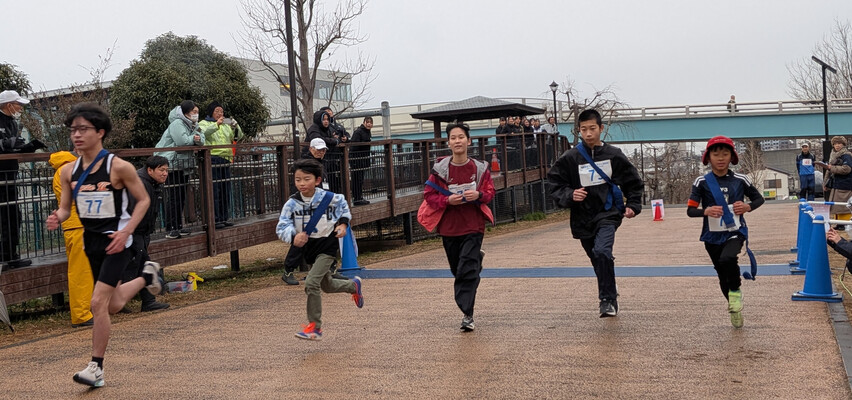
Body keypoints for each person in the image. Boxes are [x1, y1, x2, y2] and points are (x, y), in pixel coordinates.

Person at [46, 102, 162, 388]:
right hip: (91, 242)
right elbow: (65, 208)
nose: (77, 135)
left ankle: (96, 368)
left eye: (83, 129)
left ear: (100, 132)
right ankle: (148, 276)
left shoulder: (118, 167)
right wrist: (56, 217)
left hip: (118, 240)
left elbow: (144, 200)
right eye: (73, 130)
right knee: (113, 305)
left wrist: (127, 232)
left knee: (97, 303)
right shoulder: (68, 172)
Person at [547, 109, 644, 318]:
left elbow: (632, 181)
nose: (589, 133)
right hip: (582, 217)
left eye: (592, 128)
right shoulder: (570, 158)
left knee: (602, 252)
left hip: (608, 213)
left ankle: (607, 301)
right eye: (584, 130)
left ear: (601, 128)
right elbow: (554, 182)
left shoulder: (613, 155)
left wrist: (633, 204)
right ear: (579, 131)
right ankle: (610, 286)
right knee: (597, 258)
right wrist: (571, 194)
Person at [419, 122, 496, 332]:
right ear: (448, 142)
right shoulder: (440, 170)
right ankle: (475, 263)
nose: (457, 141)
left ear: (468, 141)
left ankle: (467, 313)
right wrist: (447, 201)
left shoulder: (479, 169)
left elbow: (490, 192)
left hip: (473, 226)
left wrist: (479, 195)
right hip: (449, 228)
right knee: (457, 269)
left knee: (466, 269)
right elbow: (429, 195)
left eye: (461, 137)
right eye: (453, 138)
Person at [275, 158, 363, 340]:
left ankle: (314, 327)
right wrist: (293, 236)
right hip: (309, 248)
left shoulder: (330, 198)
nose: (301, 183)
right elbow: (281, 226)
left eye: (306, 179)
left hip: (327, 246)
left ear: (317, 180)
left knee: (311, 283)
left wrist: (343, 224)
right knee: (327, 286)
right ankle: (353, 286)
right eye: (297, 179)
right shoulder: (291, 204)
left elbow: (344, 208)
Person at [686, 136, 764, 328]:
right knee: (722, 273)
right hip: (711, 236)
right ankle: (733, 306)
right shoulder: (701, 182)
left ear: (732, 157)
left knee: (727, 259)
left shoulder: (740, 179)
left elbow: (758, 199)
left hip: (735, 231)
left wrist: (747, 207)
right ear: (708, 157)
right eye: (716, 154)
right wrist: (706, 211)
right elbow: (690, 210)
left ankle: (736, 291)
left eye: (725, 154)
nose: (720, 158)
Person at [0, 90, 46, 269]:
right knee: (7, 215)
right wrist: (9, 144)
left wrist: (30, 146)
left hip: (10, 174)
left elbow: (14, 147)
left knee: (13, 215)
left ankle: (10, 255)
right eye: (18, 104)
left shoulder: (12, 122)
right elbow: (6, 145)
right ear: (8, 104)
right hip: (1, 175)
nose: (20, 107)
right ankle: (7, 257)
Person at [48, 151, 94, 327]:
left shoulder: (63, 170)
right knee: (81, 272)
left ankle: (86, 310)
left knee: (84, 271)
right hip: (80, 225)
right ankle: (81, 314)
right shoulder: (72, 169)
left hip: (75, 225)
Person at [281, 137, 331, 286]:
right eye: (318, 149)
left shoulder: (321, 165)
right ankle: (288, 270)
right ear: (311, 149)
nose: (321, 152)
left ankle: (328, 271)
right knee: (302, 238)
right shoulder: (305, 165)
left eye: (323, 150)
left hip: (320, 206)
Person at [125, 155, 171, 312]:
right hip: (133, 231)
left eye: (166, 170)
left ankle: (146, 300)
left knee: (139, 265)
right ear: (150, 170)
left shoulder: (153, 183)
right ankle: (146, 300)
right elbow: (132, 209)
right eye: (161, 170)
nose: (165, 173)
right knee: (142, 265)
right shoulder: (141, 183)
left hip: (142, 231)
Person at [155, 100, 204, 239]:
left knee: (181, 197)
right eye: (194, 112)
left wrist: (196, 138)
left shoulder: (193, 124)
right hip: (172, 164)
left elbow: (202, 138)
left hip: (183, 165)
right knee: (173, 197)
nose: (196, 114)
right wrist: (194, 138)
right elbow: (181, 142)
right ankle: (171, 228)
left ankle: (178, 226)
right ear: (186, 112)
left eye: (197, 112)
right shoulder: (177, 123)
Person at [199, 101, 244, 229]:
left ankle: (224, 218)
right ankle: (215, 219)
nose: (220, 113)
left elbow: (238, 137)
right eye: (217, 111)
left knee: (225, 189)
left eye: (222, 111)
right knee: (214, 190)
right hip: (212, 158)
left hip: (226, 158)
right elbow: (203, 134)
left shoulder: (226, 125)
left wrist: (236, 126)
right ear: (211, 112)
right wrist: (216, 125)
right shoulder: (204, 123)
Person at [817, 136, 852, 230]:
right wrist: (825, 183)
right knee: (837, 205)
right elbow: (829, 170)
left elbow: (847, 169)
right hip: (837, 183)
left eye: (839, 143)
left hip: (845, 184)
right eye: (835, 143)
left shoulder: (846, 155)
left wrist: (831, 168)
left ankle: (843, 224)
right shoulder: (834, 155)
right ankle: (840, 224)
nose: (837, 145)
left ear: (843, 145)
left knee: (843, 206)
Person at [321, 107, 349, 194]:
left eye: (330, 111)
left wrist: (345, 138)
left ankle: (340, 196)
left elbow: (347, 134)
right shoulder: (323, 127)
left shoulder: (339, 126)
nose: (329, 113)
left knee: (339, 180)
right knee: (329, 179)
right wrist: (334, 139)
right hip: (328, 156)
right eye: (326, 112)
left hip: (339, 156)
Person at [350, 116, 373, 206]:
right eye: (367, 122)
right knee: (357, 179)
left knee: (360, 179)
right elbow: (354, 146)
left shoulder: (367, 132)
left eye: (371, 123)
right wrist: (353, 159)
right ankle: (357, 198)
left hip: (363, 159)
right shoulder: (358, 132)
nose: (369, 124)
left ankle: (359, 197)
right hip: (357, 159)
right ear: (364, 123)